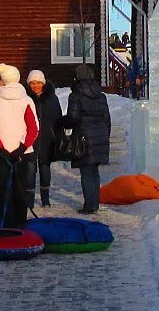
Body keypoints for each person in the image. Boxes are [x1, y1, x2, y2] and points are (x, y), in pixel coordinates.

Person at [0, 64, 39, 227]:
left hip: (0, 154)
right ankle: (20, 225)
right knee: (20, 189)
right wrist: (22, 148)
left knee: (2, 188)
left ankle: (5, 224)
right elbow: (33, 127)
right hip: (23, 152)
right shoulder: (27, 99)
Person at [62, 63, 112, 213]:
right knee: (94, 171)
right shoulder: (101, 96)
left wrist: (63, 123)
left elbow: (73, 117)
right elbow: (107, 118)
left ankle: (89, 205)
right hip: (100, 136)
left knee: (86, 172)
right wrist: (105, 136)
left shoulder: (75, 95)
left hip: (84, 137)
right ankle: (94, 202)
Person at [25, 69, 64, 210]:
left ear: (43, 83)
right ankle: (29, 200)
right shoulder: (25, 99)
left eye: (38, 83)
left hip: (47, 139)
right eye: (33, 83)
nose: (35, 86)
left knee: (45, 168)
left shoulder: (52, 98)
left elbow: (58, 117)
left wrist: (56, 135)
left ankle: (45, 198)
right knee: (29, 170)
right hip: (30, 140)